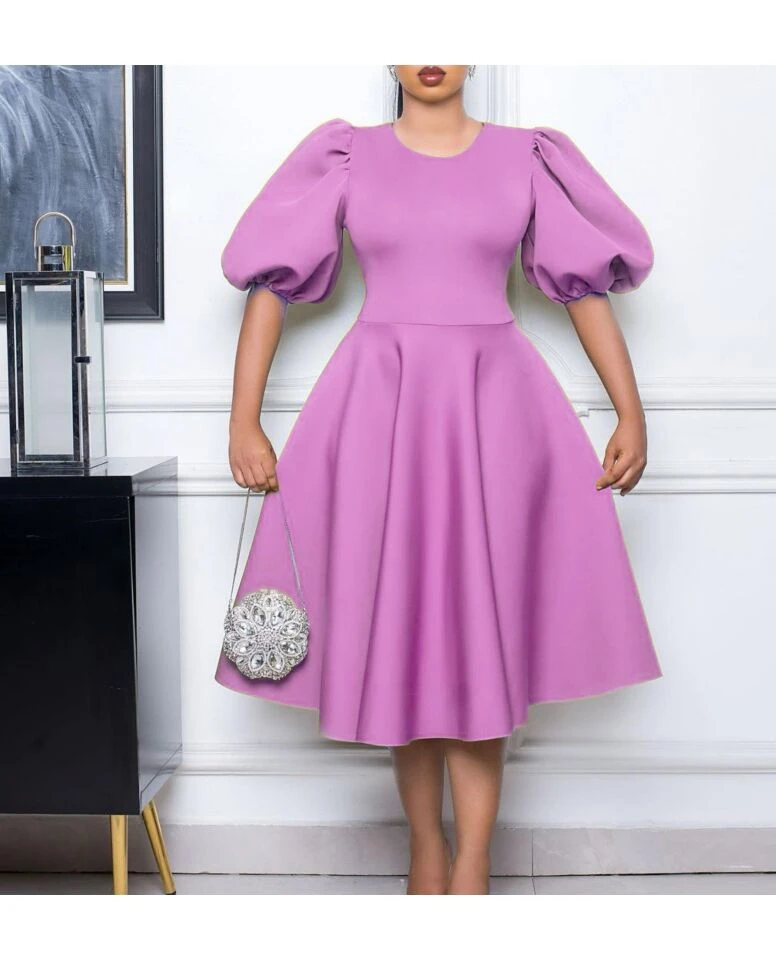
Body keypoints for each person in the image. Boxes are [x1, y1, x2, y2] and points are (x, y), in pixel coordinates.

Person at [216, 65, 663, 895]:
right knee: (402, 638)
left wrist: (630, 412)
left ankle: (473, 862)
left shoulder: (529, 156)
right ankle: (425, 851)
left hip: (493, 414)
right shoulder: (345, 155)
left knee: (476, 640)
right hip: (378, 409)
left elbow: (585, 293)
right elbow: (270, 289)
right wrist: (243, 421)